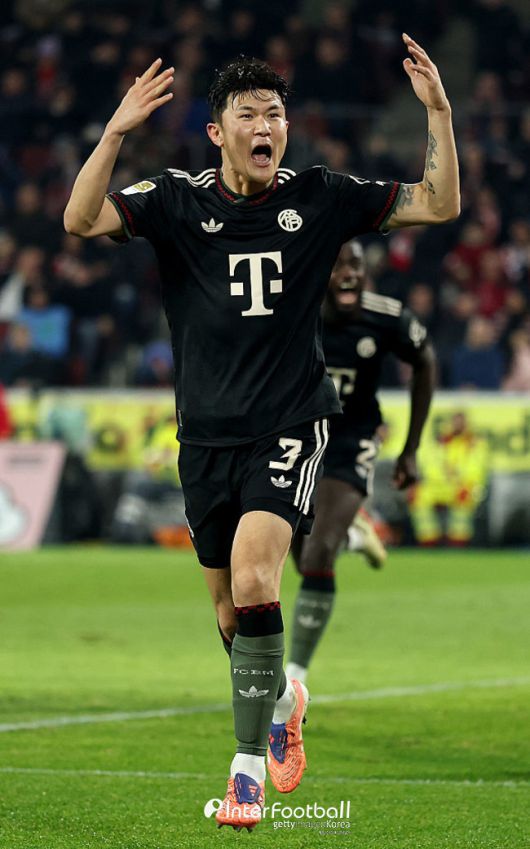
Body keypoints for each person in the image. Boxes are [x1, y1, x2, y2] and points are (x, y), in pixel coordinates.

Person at [63, 37, 459, 832]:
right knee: (229, 615)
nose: (265, 125)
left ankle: (244, 773)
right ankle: (281, 703)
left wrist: (440, 114)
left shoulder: (320, 195)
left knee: (254, 579)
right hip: (205, 436)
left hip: (290, 421)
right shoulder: (176, 198)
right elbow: (79, 220)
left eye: (275, 113)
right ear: (218, 131)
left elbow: (437, 203)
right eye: (248, 114)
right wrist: (114, 133)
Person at [285, 239, 436, 687]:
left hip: (351, 442)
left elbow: (425, 360)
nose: (348, 273)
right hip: (297, 439)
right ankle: (354, 535)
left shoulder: (385, 316)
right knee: (302, 558)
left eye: (355, 265)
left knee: (318, 553)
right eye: (337, 265)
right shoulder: (292, 309)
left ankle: (295, 679)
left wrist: (410, 448)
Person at [408, 411, 489, 546]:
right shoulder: (441, 442)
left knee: (464, 496)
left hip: (465, 485)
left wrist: (458, 476)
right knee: (417, 495)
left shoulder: (474, 443)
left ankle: (458, 540)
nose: (458, 425)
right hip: (440, 485)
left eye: (461, 422)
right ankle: (428, 538)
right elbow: (430, 466)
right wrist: (441, 478)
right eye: (455, 422)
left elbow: (477, 468)